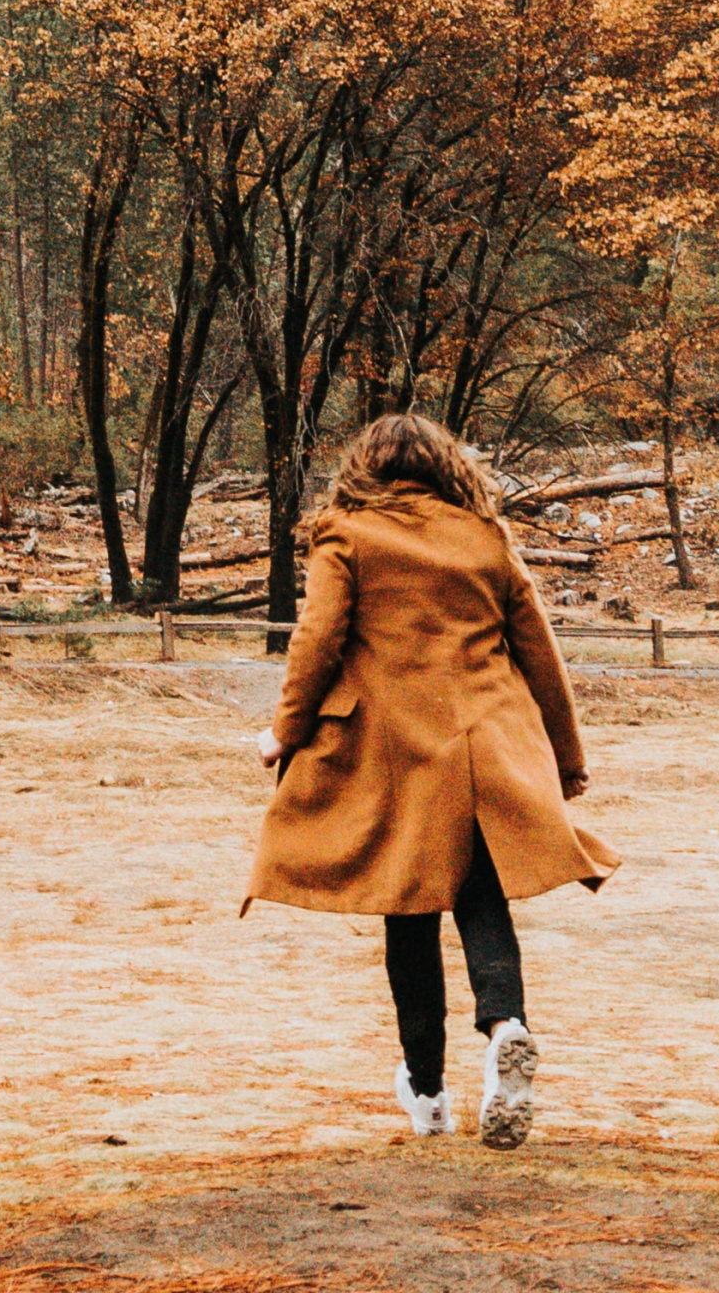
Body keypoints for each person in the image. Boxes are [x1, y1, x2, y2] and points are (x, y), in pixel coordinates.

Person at [243, 414, 614, 1149]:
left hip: (396, 753)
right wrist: (568, 759)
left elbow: (317, 641)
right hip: (485, 746)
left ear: (367, 469)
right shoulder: (484, 536)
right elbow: (541, 653)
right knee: (481, 900)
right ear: (448, 466)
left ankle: (430, 1094)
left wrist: (284, 731)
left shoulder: (346, 534)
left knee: (406, 916)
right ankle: (507, 1025)